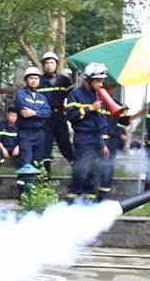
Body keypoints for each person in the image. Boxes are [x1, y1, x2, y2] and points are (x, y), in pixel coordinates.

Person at [63, 62, 110, 202]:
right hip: (83, 137)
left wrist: (104, 143)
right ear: (89, 80)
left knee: (94, 172)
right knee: (81, 170)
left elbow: (102, 121)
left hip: (97, 138)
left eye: (102, 80)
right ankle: (70, 202)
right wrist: (90, 108)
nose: (101, 83)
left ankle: (89, 201)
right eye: (98, 80)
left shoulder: (99, 95)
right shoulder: (75, 94)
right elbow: (70, 116)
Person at [38, 51, 75, 171]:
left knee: (65, 145)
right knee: (45, 146)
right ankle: (45, 179)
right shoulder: (39, 81)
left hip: (60, 116)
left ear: (56, 64)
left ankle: (79, 171)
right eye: (47, 63)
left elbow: (72, 97)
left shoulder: (64, 80)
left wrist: (68, 110)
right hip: (45, 118)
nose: (49, 65)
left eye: (52, 62)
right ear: (43, 65)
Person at [14, 65, 51, 170]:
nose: (34, 81)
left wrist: (34, 113)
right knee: (26, 162)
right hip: (26, 133)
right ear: (26, 80)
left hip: (40, 134)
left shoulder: (42, 97)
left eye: (36, 78)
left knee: (38, 162)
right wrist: (40, 112)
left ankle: (37, 186)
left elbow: (48, 113)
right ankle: (23, 186)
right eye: (31, 78)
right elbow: (24, 111)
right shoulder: (20, 94)